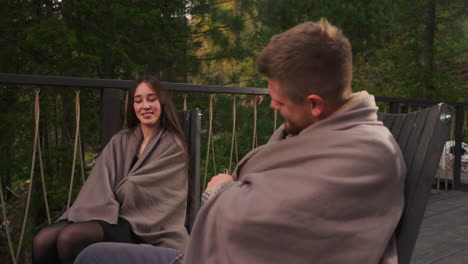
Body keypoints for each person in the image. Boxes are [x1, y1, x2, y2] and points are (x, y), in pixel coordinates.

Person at [75, 18, 406, 264]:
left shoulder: (365, 155)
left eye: (279, 102)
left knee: (92, 258)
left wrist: (220, 189)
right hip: (222, 253)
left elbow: (260, 220)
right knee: (90, 253)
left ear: (315, 104)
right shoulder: (328, 133)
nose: (273, 106)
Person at [32, 76, 189, 264]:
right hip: (107, 214)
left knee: (70, 237)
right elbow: (100, 181)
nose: (145, 106)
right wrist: (108, 198)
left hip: (141, 225)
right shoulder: (121, 140)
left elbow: (154, 194)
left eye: (151, 99)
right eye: (138, 101)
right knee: (44, 239)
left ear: (162, 102)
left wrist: (119, 190)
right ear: (132, 107)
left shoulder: (173, 145)